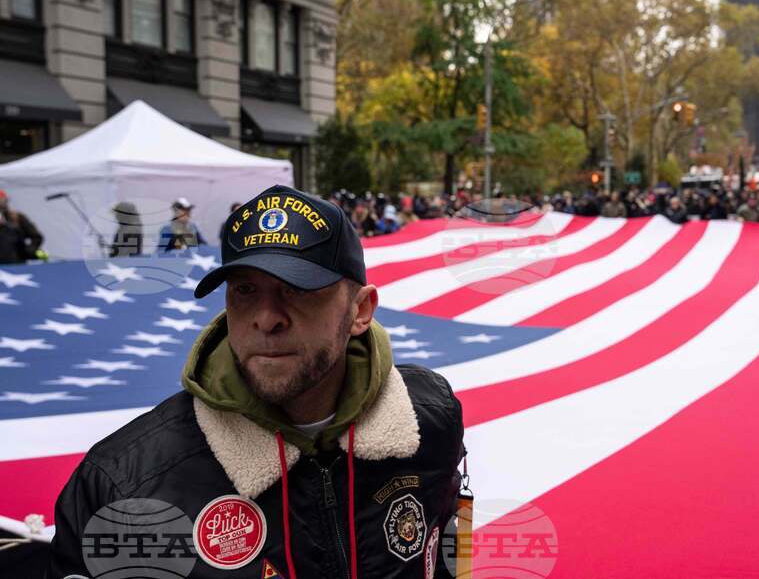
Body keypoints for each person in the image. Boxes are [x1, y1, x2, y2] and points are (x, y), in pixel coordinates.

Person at [47, 185, 464, 578]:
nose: (266, 317)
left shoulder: (429, 417)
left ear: (360, 310)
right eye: (245, 289)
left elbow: (442, 553)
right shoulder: (125, 485)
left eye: (298, 290)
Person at [0, 189, 44, 264]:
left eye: (3, 200)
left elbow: (36, 237)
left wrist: (29, 250)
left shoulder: (17, 217)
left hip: (17, 264)